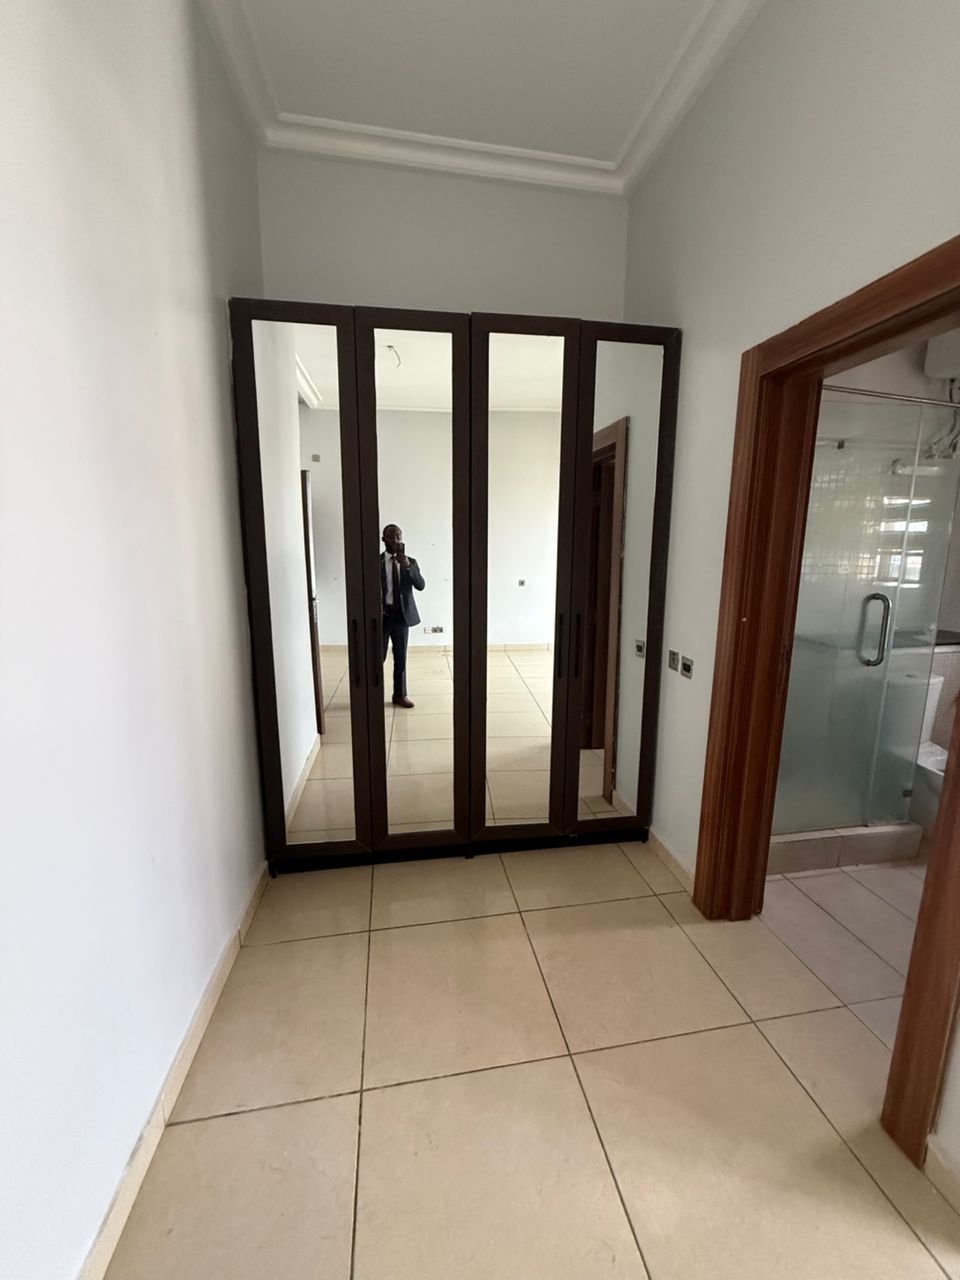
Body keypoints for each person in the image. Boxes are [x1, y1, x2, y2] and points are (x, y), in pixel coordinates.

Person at [380, 524, 425, 708]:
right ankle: (373, 694)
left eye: (398, 537)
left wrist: (408, 567)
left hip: (401, 616)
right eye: (391, 537)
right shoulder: (376, 562)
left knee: (400, 658)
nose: (396, 540)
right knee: (377, 657)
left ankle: (400, 695)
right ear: (383, 539)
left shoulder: (410, 562)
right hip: (381, 616)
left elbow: (421, 585)